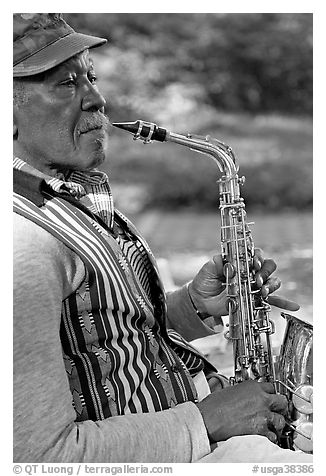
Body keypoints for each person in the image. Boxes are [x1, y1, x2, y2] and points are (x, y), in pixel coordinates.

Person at [13, 13, 312, 463]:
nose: (97, 98)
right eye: (65, 84)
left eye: (90, 77)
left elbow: (104, 337)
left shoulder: (69, 197)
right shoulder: (24, 247)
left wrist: (193, 305)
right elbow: (35, 457)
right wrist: (207, 421)